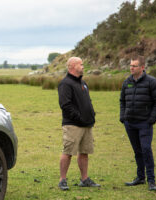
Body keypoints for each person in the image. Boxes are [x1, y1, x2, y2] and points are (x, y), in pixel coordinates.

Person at [120, 55, 156, 191]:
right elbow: (122, 101)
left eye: (134, 66)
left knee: (146, 149)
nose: (131, 68)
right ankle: (140, 177)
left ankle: (151, 180)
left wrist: (151, 120)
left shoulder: (152, 82)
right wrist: (123, 117)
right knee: (137, 151)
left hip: (144, 123)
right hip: (130, 123)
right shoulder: (127, 82)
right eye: (130, 66)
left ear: (142, 67)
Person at [57, 57, 100, 190]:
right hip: (73, 125)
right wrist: (79, 118)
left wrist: (92, 115)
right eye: (80, 64)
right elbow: (65, 105)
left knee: (84, 152)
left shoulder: (83, 83)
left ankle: (84, 179)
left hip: (87, 124)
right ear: (72, 66)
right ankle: (62, 180)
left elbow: (88, 101)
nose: (83, 66)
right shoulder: (65, 83)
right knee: (68, 151)